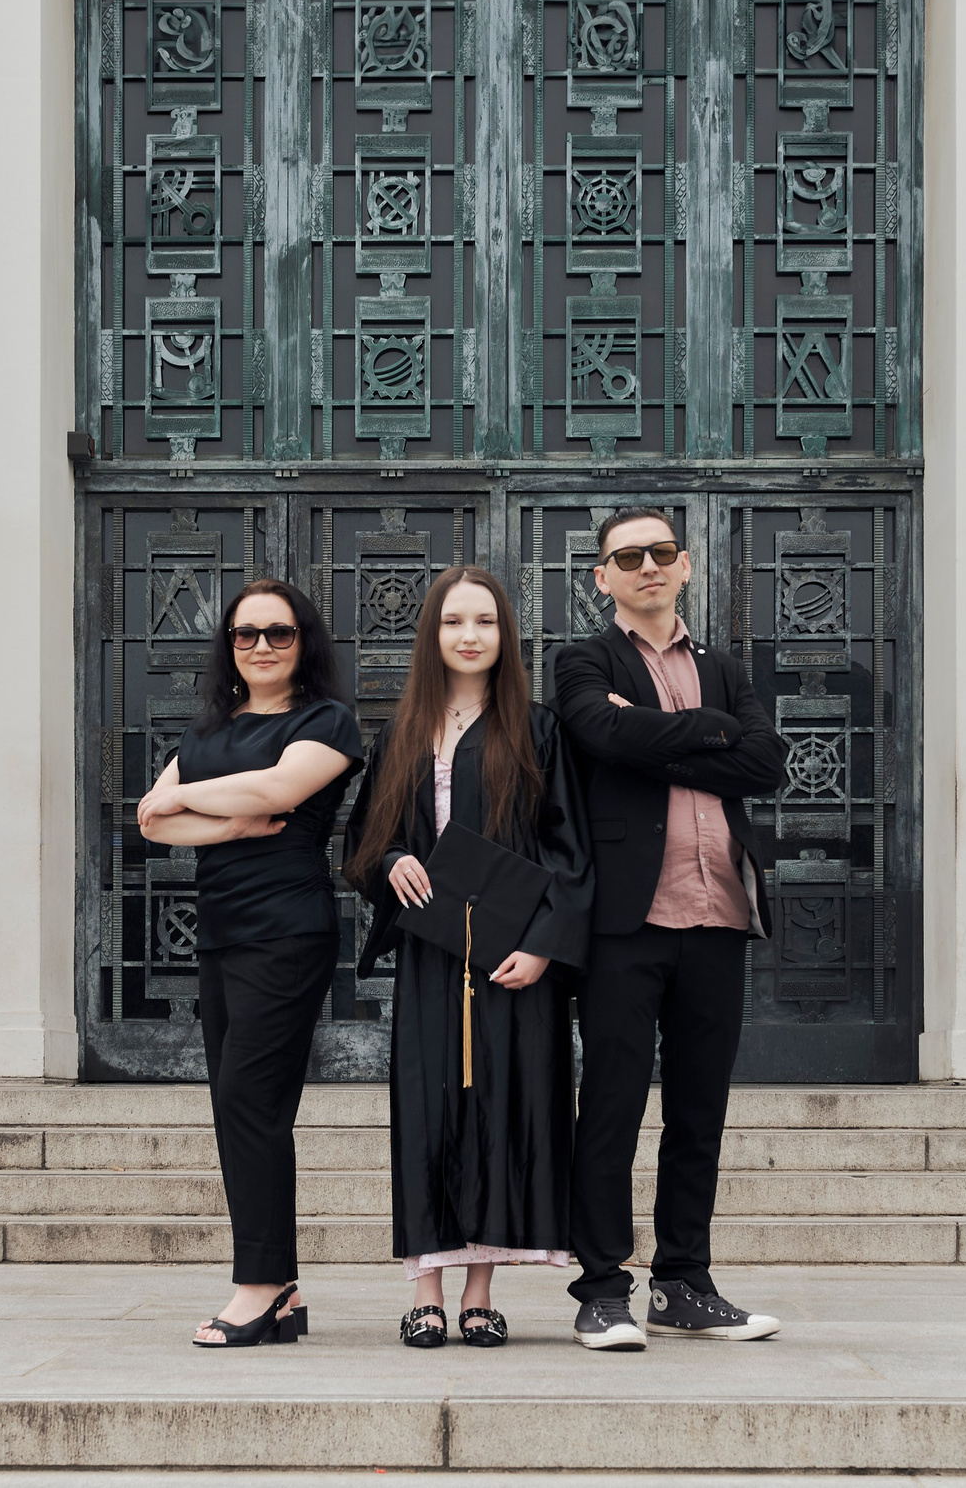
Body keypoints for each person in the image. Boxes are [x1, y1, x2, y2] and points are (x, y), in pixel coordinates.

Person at [552, 507, 788, 1350]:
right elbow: (601, 733)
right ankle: (604, 1287)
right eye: (629, 556)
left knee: (699, 1111)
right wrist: (708, 735)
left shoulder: (724, 666)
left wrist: (664, 737)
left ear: (684, 566)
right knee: (610, 1106)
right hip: (625, 920)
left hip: (720, 914)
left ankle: (684, 1281)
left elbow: (768, 761)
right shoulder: (583, 659)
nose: (647, 566)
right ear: (602, 575)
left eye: (660, 553)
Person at [346, 566, 593, 1349]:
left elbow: (569, 850)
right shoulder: (402, 731)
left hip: (515, 961)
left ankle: (480, 1291)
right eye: (454, 621)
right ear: (433, 633)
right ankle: (425, 1288)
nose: (469, 635)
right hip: (431, 953)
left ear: (504, 633)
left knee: (502, 1111)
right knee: (428, 1111)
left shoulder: (536, 727)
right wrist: (389, 864)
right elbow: (362, 841)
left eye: (485, 620)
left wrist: (543, 945)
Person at [138, 577, 364, 1347]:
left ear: (305, 643)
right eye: (246, 634)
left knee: (247, 1099)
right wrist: (234, 825)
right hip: (221, 930)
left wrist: (194, 802)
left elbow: (279, 787)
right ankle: (284, 1291)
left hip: (288, 930)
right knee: (239, 1106)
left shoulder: (326, 720)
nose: (262, 646)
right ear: (228, 647)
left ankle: (260, 1286)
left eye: (279, 632)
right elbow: (150, 821)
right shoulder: (207, 729)